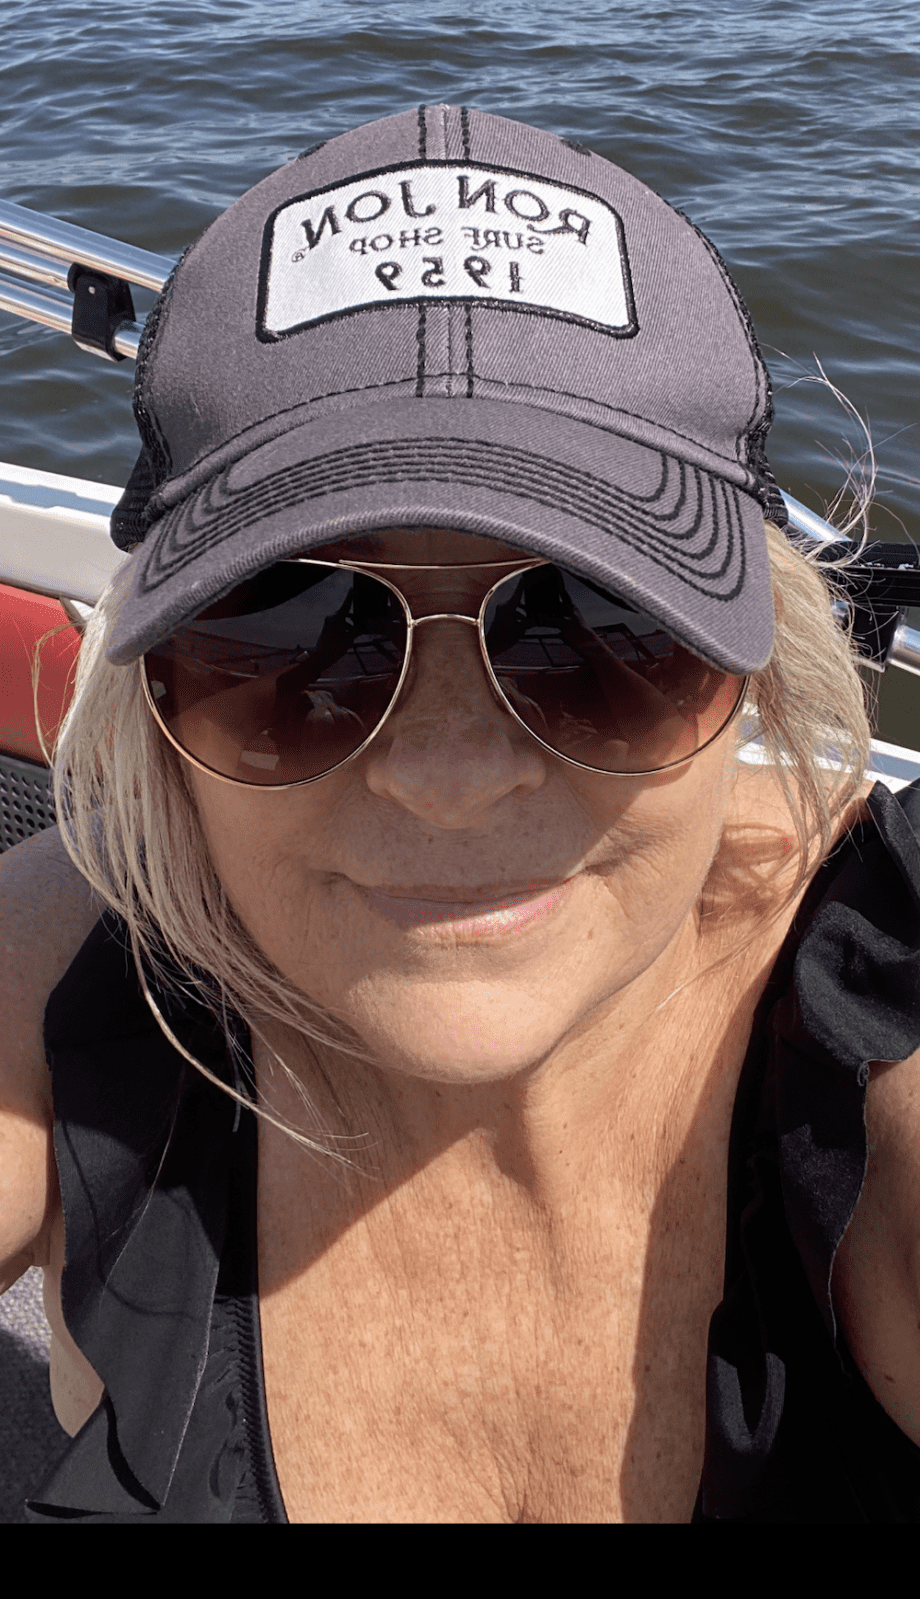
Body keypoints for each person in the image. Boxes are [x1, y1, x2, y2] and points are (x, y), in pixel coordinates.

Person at [2, 103, 919, 1524]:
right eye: (286, 630)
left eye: (597, 626)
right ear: (153, 689)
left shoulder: (886, 1004)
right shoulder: (69, 979)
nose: (448, 776)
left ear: (754, 664)